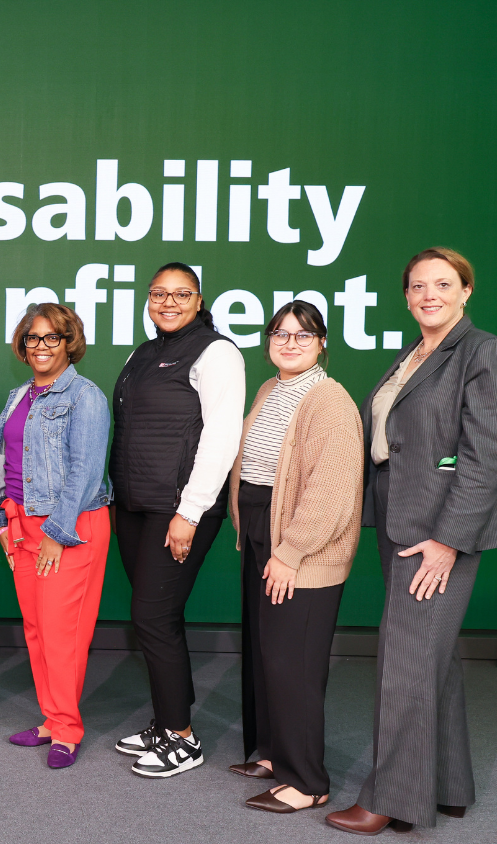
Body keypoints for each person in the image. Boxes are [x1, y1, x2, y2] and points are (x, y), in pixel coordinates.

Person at [327, 248, 497, 834]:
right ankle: (449, 788)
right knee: (433, 660)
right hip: (399, 520)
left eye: (443, 284)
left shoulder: (480, 352)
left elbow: (484, 459)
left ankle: (387, 799)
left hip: (435, 533)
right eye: (418, 286)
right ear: (406, 297)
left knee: (404, 661)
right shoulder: (415, 355)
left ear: (466, 291)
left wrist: (448, 541)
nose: (430, 294)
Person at [109, 262, 245, 778]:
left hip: (179, 510)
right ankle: (168, 721)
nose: (167, 302)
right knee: (157, 618)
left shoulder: (217, 352)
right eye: (158, 294)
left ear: (199, 298)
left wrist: (189, 512)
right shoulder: (145, 353)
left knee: (152, 617)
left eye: (180, 294)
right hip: (135, 507)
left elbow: (221, 436)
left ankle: (183, 739)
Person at [227, 301, 362, 813]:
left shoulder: (329, 401)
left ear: (321, 343)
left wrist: (290, 553)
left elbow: (330, 491)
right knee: (266, 652)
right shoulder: (271, 389)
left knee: (293, 661)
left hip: (303, 545)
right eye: (280, 334)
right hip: (264, 529)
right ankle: (274, 755)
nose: (289, 343)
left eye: (302, 336)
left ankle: (307, 781)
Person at [0, 303, 112, 769]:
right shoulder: (19, 394)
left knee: (64, 634)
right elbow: (4, 460)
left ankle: (67, 728)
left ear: (69, 343)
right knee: (37, 629)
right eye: (33, 339)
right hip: (21, 524)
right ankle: (50, 718)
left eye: (52, 338)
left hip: (69, 526)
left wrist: (57, 533)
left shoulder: (85, 396)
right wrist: (3, 519)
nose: (41, 347)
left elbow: (84, 471)